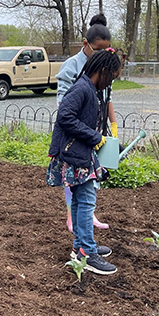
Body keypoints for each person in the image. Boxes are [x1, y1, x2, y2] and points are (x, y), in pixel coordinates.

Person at [47, 48, 121, 275]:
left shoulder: (89, 88)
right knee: (87, 200)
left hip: (80, 153)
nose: (110, 83)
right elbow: (65, 117)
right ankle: (87, 253)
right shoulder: (82, 88)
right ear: (103, 70)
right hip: (75, 155)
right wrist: (95, 137)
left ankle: (80, 246)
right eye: (111, 77)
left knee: (81, 200)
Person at [56, 13, 117, 234]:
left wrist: (113, 126)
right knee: (73, 175)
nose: (101, 54)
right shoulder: (72, 67)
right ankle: (72, 217)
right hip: (76, 132)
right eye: (97, 50)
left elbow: (108, 97)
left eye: (106, 50)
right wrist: (83, 129)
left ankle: (87, 214)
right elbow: (64, 106)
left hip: (94, 131)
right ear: (85, 44)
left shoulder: (104, 67)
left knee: (92, 175)